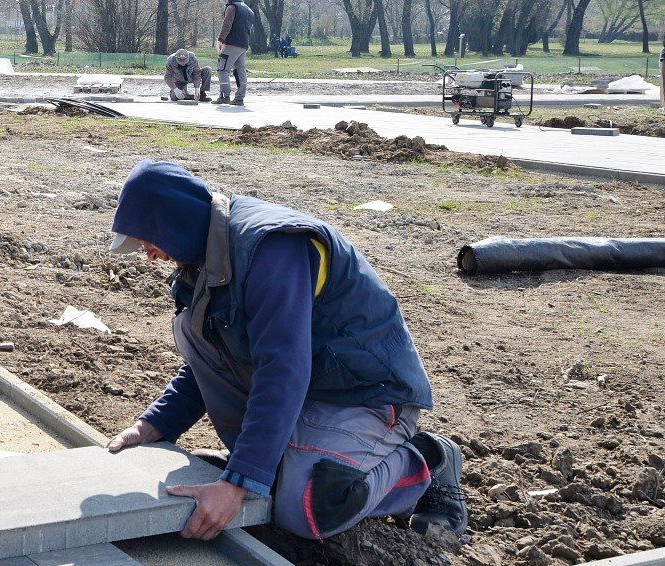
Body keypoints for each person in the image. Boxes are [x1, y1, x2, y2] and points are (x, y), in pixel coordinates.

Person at [105, 159, 467, 543]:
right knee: (192, 329)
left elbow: (283, 369)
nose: (149, 255)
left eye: (148, 242)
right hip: (310, 387)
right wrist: (155, 425)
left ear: (174, 222)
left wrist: (238, 482)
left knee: (310, 505)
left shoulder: (272, 249)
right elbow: (211, 359)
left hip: (365, 393)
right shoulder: (202, 259)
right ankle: (282, 465)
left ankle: (426, 459)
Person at [216, 0, 254, 106]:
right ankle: (239, 98)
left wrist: (221, 39)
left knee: (223, 69)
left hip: (232, 43)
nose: (226, 0)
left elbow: (227, 25)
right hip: (244, 44)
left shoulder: (232, 7)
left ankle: (225, 96)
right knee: (240, 71)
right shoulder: (249, 9)